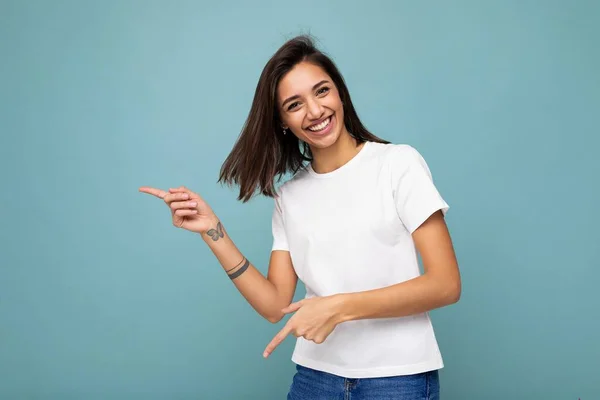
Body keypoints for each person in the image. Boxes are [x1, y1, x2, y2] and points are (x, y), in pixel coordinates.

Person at [139, 35, 461, 400]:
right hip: (316, 378)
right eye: (295, 105)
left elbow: (446, 284)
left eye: (322, 91)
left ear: (340, 93)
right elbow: (277, 305)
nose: (315, 111)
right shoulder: (290, 196)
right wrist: (213, 231)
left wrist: (338, 307)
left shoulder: (397, 164)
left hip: (397, 379)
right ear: (282, 122)